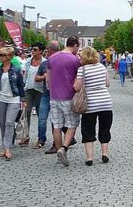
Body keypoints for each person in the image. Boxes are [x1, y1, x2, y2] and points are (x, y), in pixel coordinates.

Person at [73, 46, 113, 166]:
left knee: (88, 129)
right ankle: (104, 154)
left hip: (90, 104)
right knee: (105, 128)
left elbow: (77, 87)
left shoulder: (82, 69)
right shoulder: (102, 67)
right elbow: (107, 84)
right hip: (105, 103)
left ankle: (89, 158)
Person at [47, 36, 81, 167]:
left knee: (57, 126)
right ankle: (63, 148)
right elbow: (79, 79)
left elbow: (48, 79)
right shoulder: (75, 60)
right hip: (69, 97)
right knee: (72, 125)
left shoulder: (51, 58)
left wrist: (52, 92)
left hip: (54, 98)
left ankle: (58, 151)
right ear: (75, 45)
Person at [0, 46, 26, 161]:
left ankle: (7, 148)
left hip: (13, 99)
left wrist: (23, 99)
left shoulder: (16, 69)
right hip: (0, 99)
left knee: (9, 123)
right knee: (2, 124)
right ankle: (5, 146)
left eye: (2, 55)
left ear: (9, 57)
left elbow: (21, 85)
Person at [20, 42, 46, 146]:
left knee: (41, 115)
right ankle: (25, 136)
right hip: (28, 89)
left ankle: (41, 138)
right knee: (26, 113)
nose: (32, 51)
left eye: (35, 49)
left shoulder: (45, 62)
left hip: (40, 91)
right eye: (32, 49)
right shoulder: (28, 62)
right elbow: (25, 76)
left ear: (40, 51)